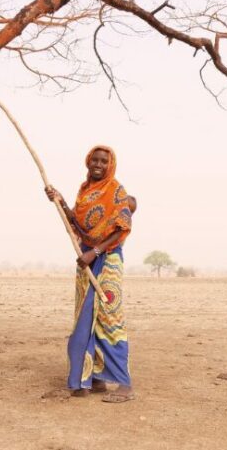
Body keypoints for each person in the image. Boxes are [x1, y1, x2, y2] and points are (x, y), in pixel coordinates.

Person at [45, 145, 135, 403]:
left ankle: (124, 384)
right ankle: (90, 378)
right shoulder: (85, 191)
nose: (97, 164)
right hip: (85, 261)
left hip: (106, 259)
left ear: (111, 164)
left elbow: (122, 228)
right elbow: (78, 224)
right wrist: (60, 200)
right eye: (93, 160)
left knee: (108, 317)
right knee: (85, 318)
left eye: (103, 161)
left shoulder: (116, 190)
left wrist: (94, 252)